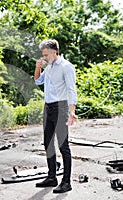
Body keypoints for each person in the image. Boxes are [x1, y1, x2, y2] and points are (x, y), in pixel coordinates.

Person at [34, 39, 77, 193]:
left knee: (63, 146)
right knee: (48, 143)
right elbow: (38, 81)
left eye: (45, 55)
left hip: (61, 107)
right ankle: (52, 177)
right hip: (48, 108)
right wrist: (38, 67)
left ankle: (67, 182)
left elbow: (72, 90)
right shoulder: (50, 67)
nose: (43, 57)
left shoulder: (66, 67)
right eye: (43, 55)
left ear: (54, 52)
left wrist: (71, 111)